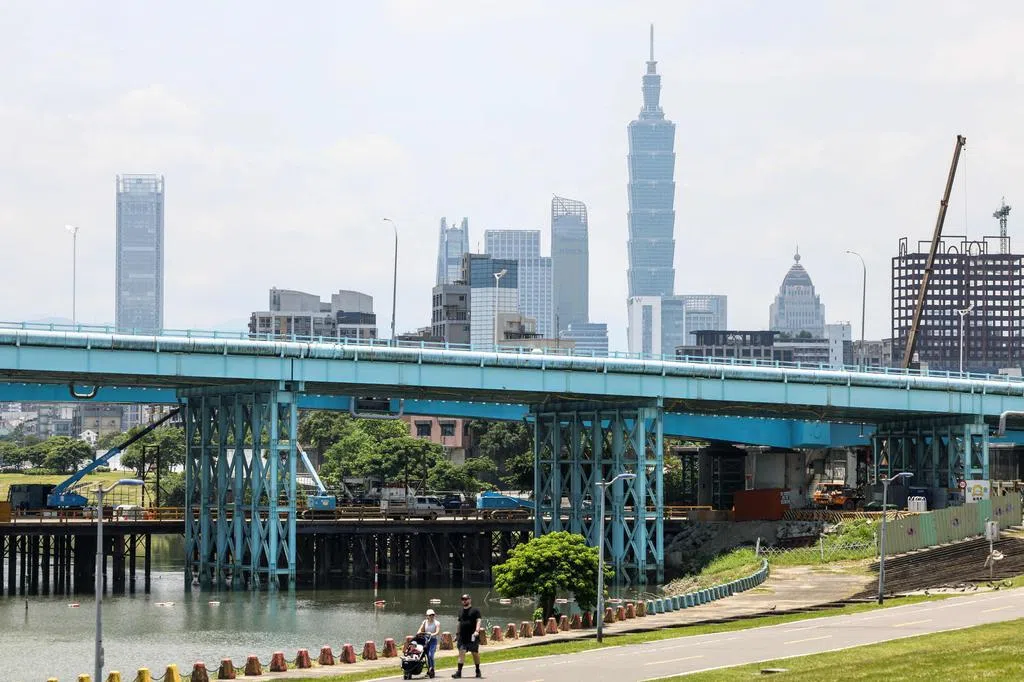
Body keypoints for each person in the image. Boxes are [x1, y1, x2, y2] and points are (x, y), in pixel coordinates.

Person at [453, 593, 482, 678]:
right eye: (463, 599)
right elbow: (459, 623)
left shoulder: (475, 610)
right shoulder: (460, 611)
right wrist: (457, 634)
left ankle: (477, 670)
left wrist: (477, 631)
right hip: (462, 637)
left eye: (466, 599)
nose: (464, 601)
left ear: (470, 600)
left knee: (475, 653)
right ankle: (459, 672)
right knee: (461, 652)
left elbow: (479, 621)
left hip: (473, 636)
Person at [417, 607, 441, 678]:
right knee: (427, 656)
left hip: (433, 640)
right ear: (427, 616)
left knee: (431, 655)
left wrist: (432, 634)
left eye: (433, 615)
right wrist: (419, 632)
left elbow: (437, 632)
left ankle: (432, 670)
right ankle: (429, 671)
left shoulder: (437, 623)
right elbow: (420, 630)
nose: (431, 616)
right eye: (430, 615)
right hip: (425, 640)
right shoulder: (424, 622)